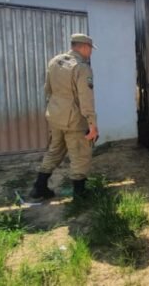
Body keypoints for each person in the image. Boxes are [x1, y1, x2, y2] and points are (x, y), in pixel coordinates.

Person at [30, 33, 99, 200]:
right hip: (74, 120)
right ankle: (80, 195)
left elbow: (48, 89)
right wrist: (92, 125)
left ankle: (39, 187)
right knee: (80, 155)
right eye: (90, 48)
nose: (91, 52)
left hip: (55, 115)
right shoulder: (81, 68)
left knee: (54, 150)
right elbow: (86, 98)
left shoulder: (55, 61)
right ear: (83, 47)